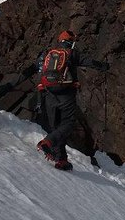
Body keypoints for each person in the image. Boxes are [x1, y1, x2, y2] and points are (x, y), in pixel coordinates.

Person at [35, 30, 109, 170]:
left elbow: (41, 70)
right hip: (66, 95)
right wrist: (104, 66)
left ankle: (61, 160)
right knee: (67, 124)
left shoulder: (50, 54)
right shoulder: (71, 54)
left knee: (56, 127)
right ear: (71, 42)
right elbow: (89, 62)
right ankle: (48, 142)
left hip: (49, 94)